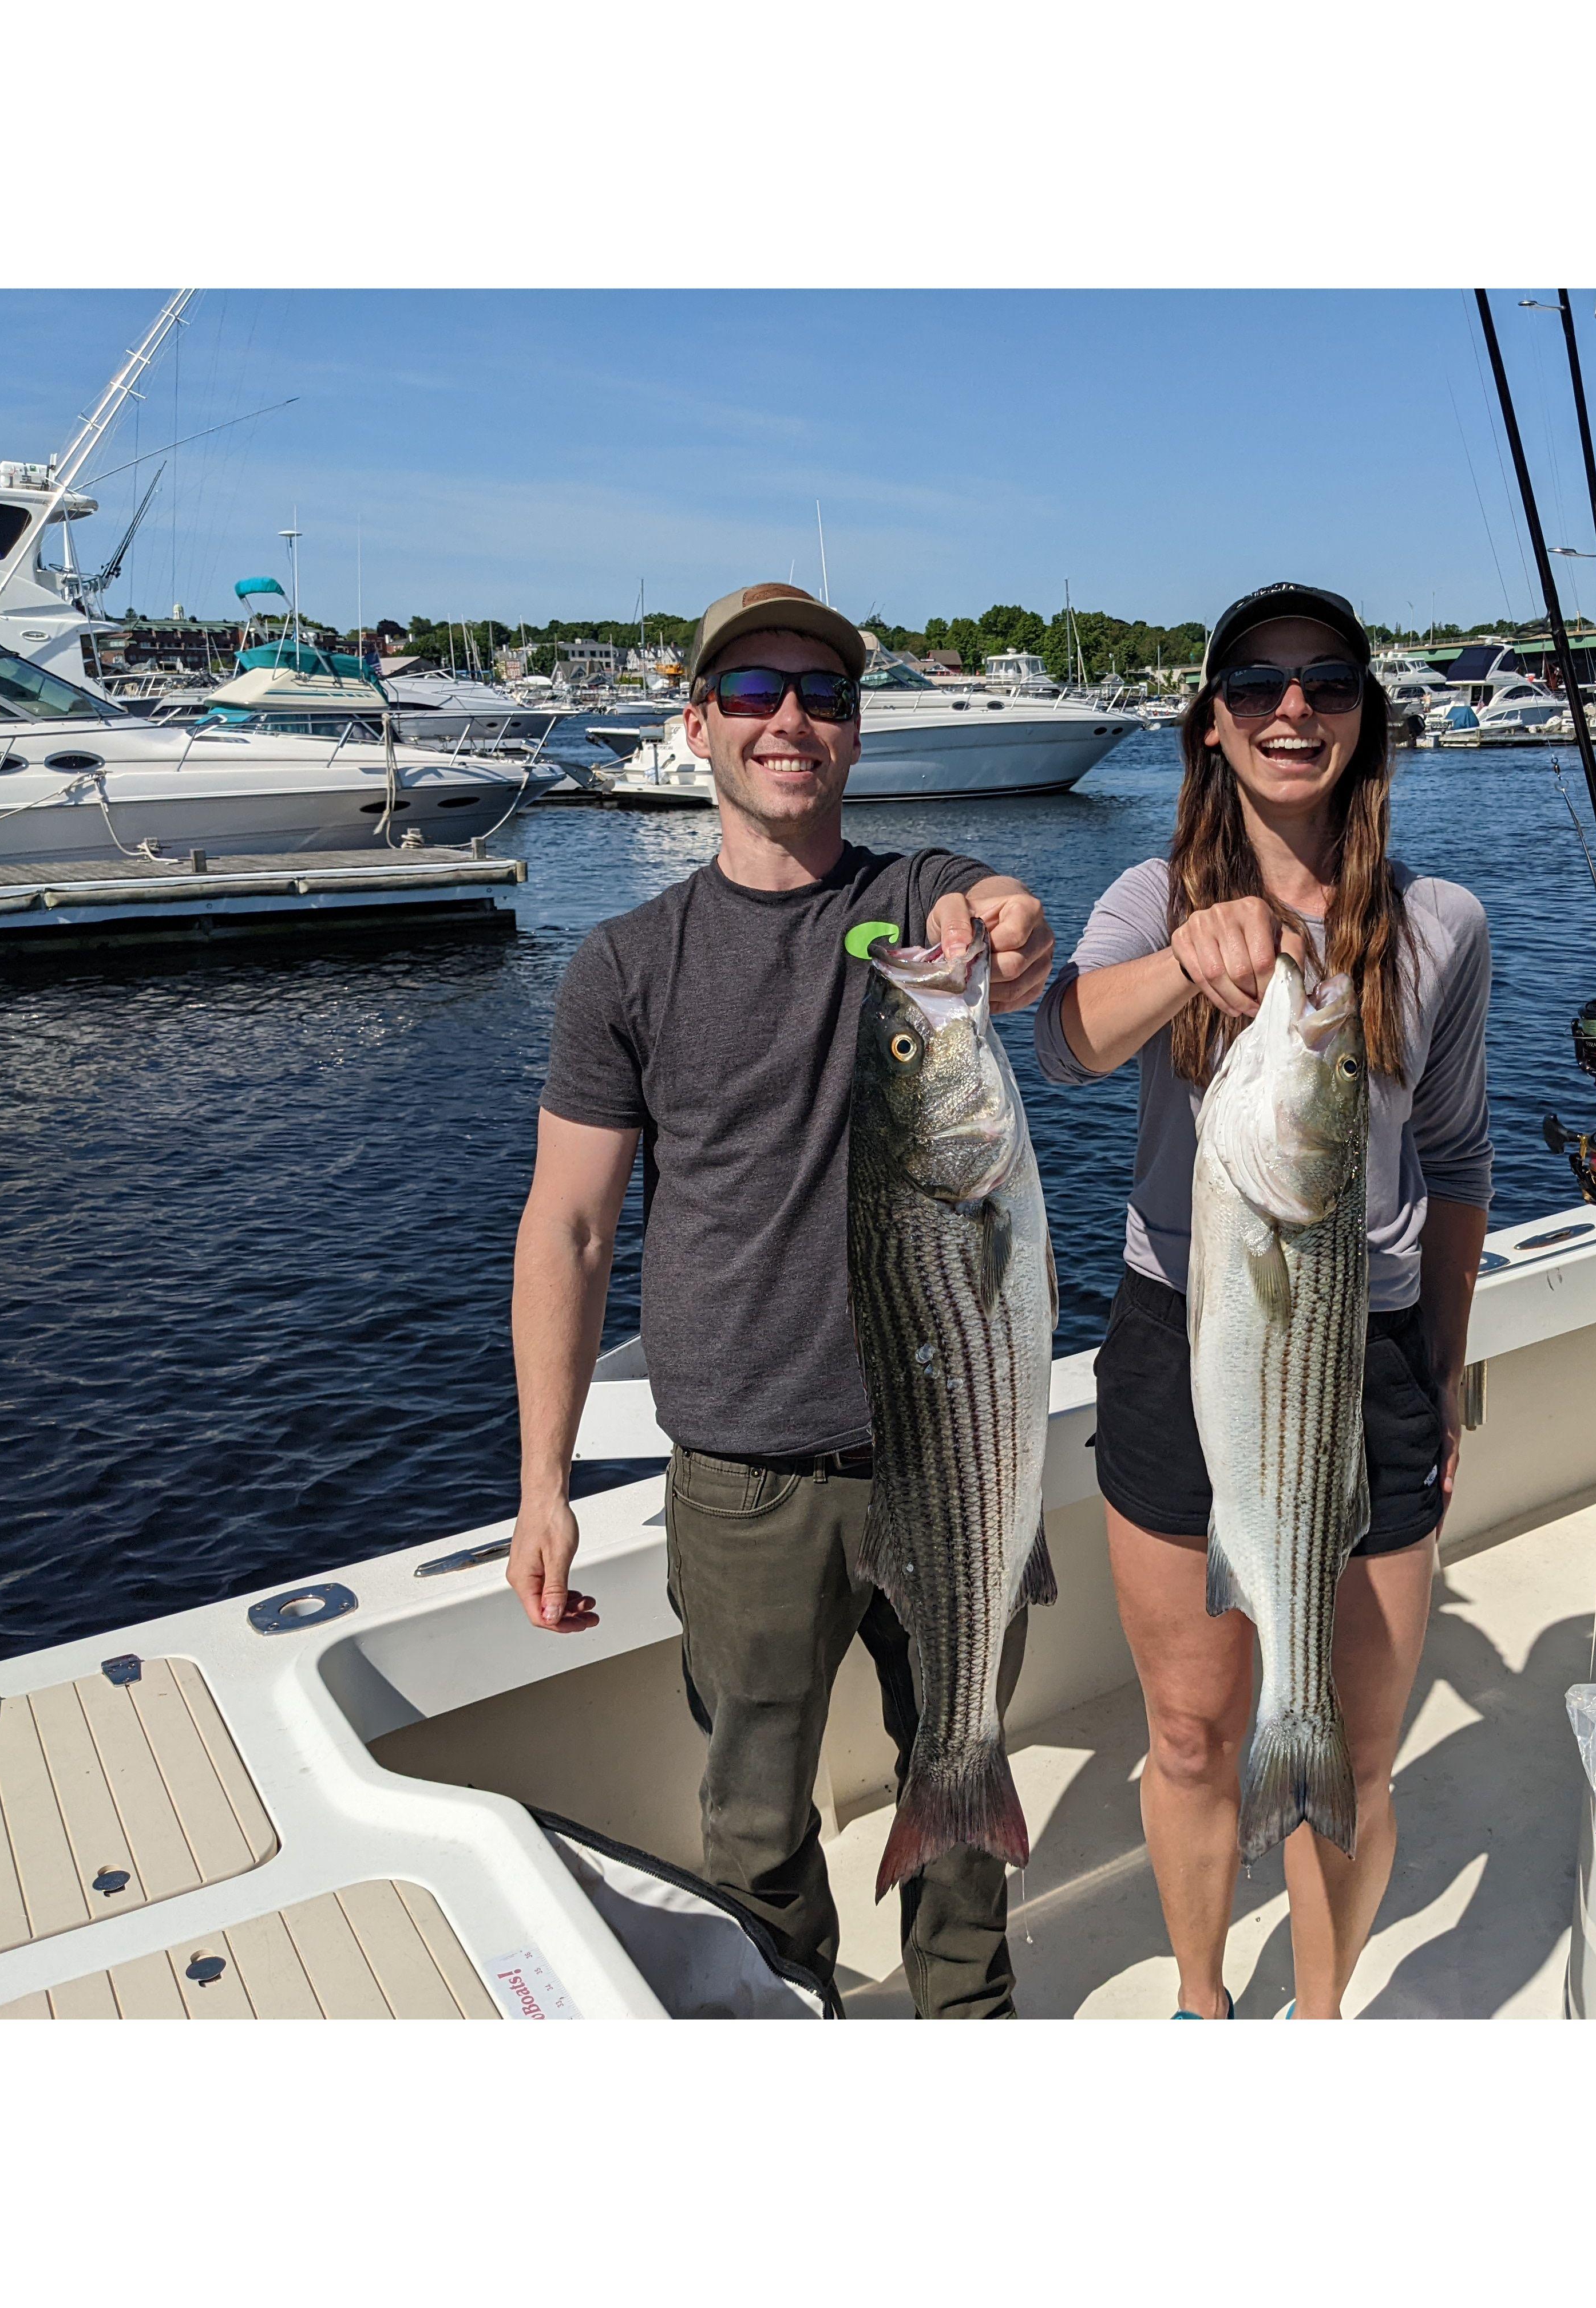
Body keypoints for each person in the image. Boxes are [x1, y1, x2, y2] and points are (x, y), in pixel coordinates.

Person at [510, 583, 1055, 2018]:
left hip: (957, 1453)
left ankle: (967, 2018)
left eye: (821, 693)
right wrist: (544, 1483)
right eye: (752, 693)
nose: (789, 720)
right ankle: (783, 2017)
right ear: (696, 725)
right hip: (744, 1476)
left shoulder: (898, 908)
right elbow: (566, 1230)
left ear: (856, 734)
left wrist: (1002, 918)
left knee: (965, 1780)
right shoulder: (624, 965)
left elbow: (979, 905)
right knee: (752, 1824)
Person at [1033, 582, 1491, 2018]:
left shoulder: (1440, 924)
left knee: (1354, 1751)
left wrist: (1452, 1369)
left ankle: (1318, 2023)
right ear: (1214, 725)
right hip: (1188, 1334)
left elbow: (1462, 1157)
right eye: (1257, 684)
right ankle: (1199, 2005)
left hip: (1380, 1348)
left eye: (1328, 682)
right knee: (1187, 1726)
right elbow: (1064, 1046)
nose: (1294, 708)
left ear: (1367, 718)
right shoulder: (1146, 902)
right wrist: (1184, 961)